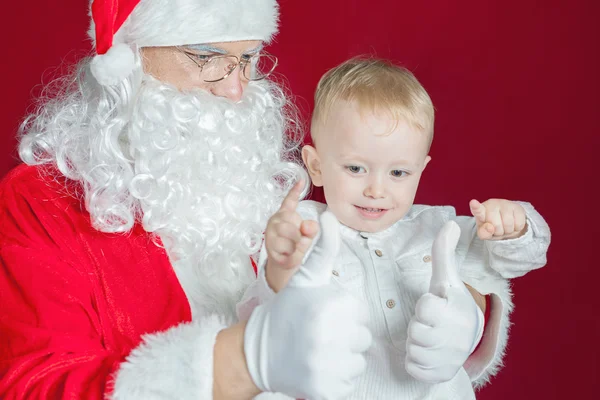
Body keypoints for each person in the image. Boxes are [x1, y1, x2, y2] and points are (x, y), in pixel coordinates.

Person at [0, 1, 374, 399]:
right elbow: (33, 385)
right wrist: (236, 365)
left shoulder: (251, 180)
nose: (235, 89)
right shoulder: (39, 201)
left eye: (248, 58)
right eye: (207, 58)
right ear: (129, 61)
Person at [238, 57, 552, 399]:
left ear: (420, 169)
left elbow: (519, 259)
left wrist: (514, 224)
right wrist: (281, 269)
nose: (377, 189)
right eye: (356, 168)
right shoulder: (300, 227)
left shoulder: (437, 228)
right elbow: (260, 316)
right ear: (316, 166)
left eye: (398, 173)